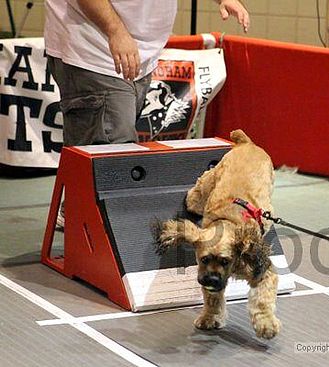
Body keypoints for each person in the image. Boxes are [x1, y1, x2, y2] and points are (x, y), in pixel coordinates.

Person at [44, 0, 249, 228]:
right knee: (115, 155)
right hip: (95, 50)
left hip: (139, 53)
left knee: (108, 152)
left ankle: (78, 211)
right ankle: (104, 230)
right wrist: (116, 32)